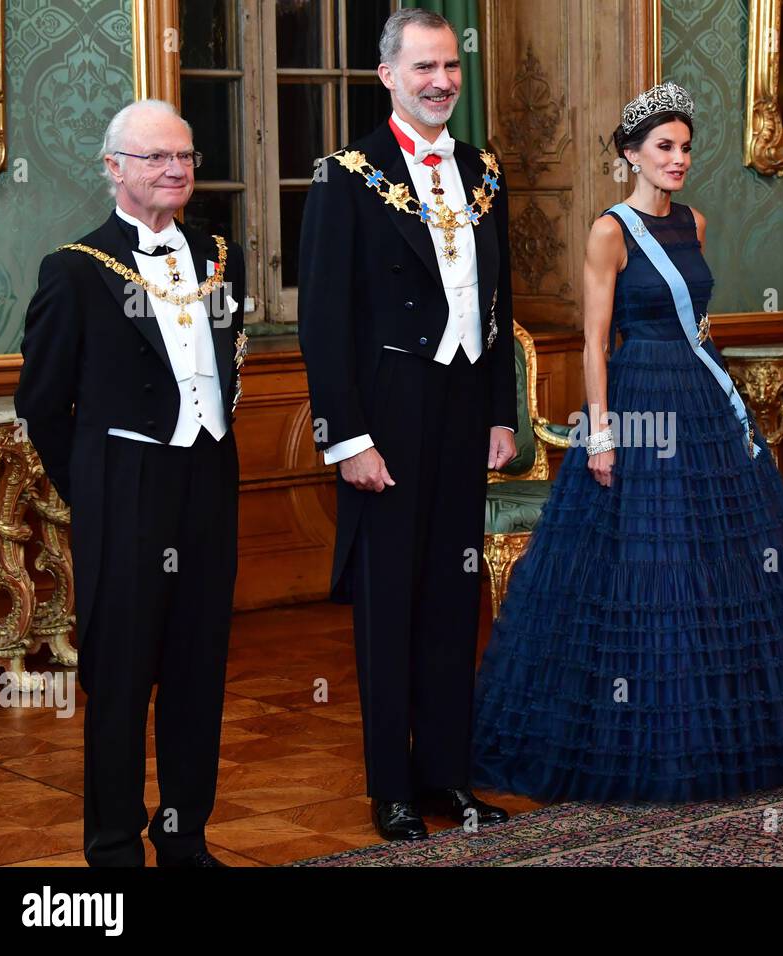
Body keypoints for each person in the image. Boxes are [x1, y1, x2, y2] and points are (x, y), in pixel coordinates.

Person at [470, 82, 783, 804]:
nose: (679, 158)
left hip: (700, 397)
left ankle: (731, 732)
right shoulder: (609, 231)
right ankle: (643, 734)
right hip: (637, 398)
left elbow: (704, 327)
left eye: (685, 147)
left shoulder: (697, 222)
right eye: (664, 147)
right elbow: (594, 345)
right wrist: (599, 435)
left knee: (721, 564)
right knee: (647, 563)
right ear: (631, 154)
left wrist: (727, 404)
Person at [297, 8, 516, 842]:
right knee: (388, 603)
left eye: (452, 66)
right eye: (423, 67)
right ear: (386, 74)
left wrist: (501, 411)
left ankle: (448, 781)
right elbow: (322, 318)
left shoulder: (486, 168)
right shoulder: (344, 176)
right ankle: (391, 787)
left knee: (454, 600)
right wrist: (347, 437)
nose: (441, 81)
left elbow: (500, 301)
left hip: (465, 405)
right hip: (386, 408)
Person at [15, 99, 246, 867]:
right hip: (126, 483)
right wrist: (98, 483)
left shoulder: (218, 252)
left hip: (207, 477)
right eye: (155, 158)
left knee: (197, 668)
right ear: (114, 169)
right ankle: (114, 850)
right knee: (119, 679)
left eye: (184, 156)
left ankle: (184, 838)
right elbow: (43, 403)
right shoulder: (75, 269)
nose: (175, 168)